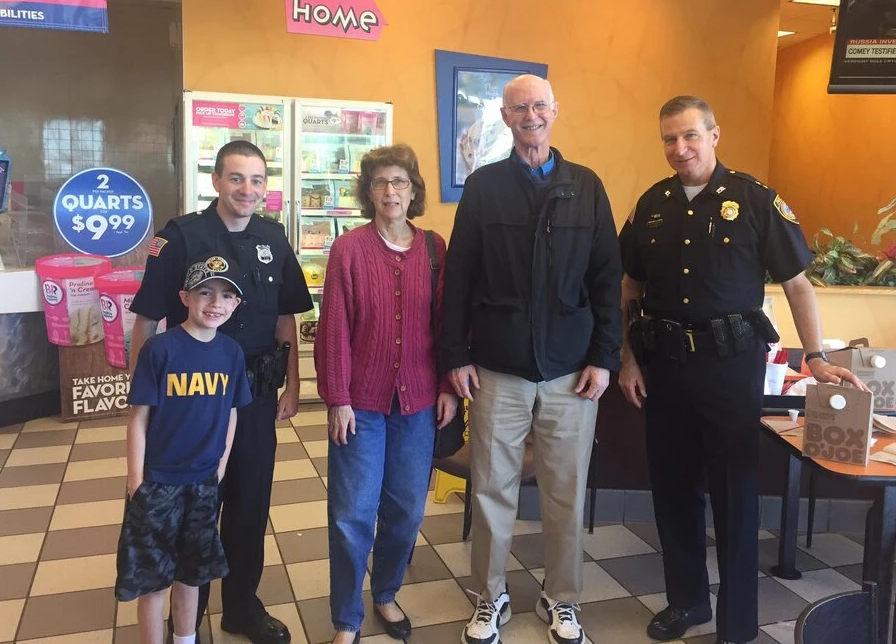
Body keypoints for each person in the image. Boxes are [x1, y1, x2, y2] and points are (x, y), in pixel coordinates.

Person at [617, 95, 866, 644]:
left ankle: (736, 620)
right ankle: (686, 604)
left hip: (730, 368)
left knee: (735, 492)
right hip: (665, 366)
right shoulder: (651, 204)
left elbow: (798, 284)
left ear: (714, 134)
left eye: (689, 136)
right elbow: (630, 286)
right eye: (668, 139)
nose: (679, 149)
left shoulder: (755, 200)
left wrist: (816, 356)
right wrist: (629, 358)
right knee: (674, 489)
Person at [441, 74, 622, 644]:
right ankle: (489, 598)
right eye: (520, 107)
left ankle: (561, 598)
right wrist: (456, 355)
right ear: (504, 115)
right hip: (497, 369)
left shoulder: (587, 187)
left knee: (565, 491)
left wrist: (605, 358)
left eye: (539, 105)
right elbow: (460, 278)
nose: (531, 115)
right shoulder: (485, 187)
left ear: (555, 111)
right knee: (492, 488)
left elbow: (606, 279)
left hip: (571, 373)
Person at [130, 139, 312, 644]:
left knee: (250, 503)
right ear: (215, 181)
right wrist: (143, 396)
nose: (247, 190)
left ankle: (241, 608)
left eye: (257, 180)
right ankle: (188, 613)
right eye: (236, 178)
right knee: (192, 500)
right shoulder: (182, 236)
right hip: (191, 401)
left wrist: (294, 384)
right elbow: (146, 319)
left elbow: (285, 316)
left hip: (254, 394)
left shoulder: (274, 237)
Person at [315, 144, 458, 644]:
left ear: (414, 189)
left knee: (405, 511)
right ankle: (346, 618)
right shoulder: (349, 249)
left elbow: (445, 327)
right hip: (361, 405)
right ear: (368, 192)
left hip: (419, 404)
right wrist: (337, 397)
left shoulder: (436, 249)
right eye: (380, 183)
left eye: (399, 181)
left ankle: (386, 592)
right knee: (352, 512)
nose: (390, 191)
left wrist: (445, 387)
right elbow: (334, 329)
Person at [115, 254, 252, 644]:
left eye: (226, 296)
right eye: (204, 293)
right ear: (185, 298)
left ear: (236, 304)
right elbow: (138, 418)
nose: (215, 303)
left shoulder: (231, 353)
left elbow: (231, 414)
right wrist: (136, 478)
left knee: (192, 573)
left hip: (204, 481)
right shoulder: (160, 350)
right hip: (157, 482)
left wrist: (221, 465)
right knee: (153, 579)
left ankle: (185, 638)